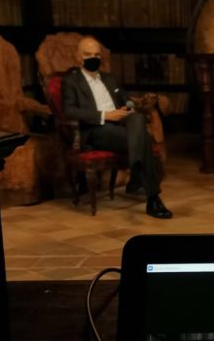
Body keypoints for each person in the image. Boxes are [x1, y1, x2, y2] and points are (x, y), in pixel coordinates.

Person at [61, 36, 172, 219]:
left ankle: (137, 175)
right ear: (79, 57)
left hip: (121, 123)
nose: (93, 58)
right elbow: (70, 111)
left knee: (137, 118)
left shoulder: (109, 79)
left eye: (97, 55)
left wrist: (128, 107)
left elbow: (126, 99)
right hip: (97, 129)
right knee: (143, 137)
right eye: (88, 54)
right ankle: (152, 197)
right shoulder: (71, 81)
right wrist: (105, 115)